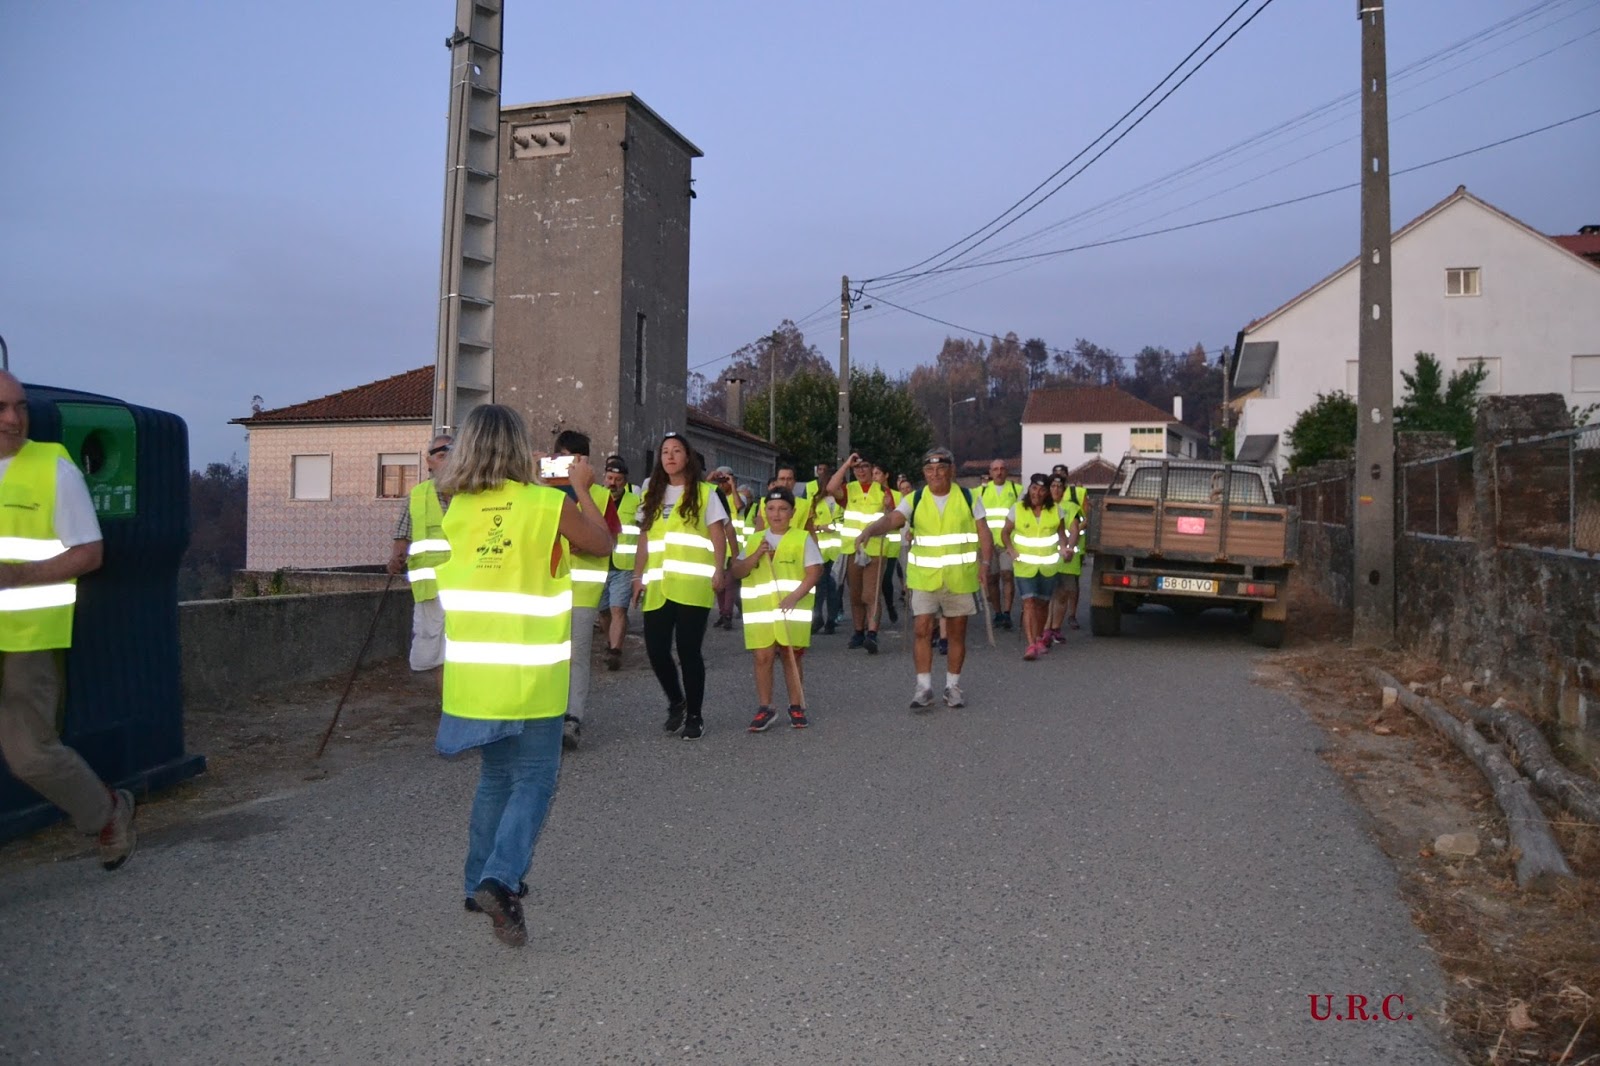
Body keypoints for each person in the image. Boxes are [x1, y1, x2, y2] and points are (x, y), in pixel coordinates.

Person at [433, 404, 612, 945]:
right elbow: (602, 544)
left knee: (495, 776)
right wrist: (580, 487)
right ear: (519, 449)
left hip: (475, 673)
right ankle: (501, 879)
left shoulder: (456, 508)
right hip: (530, 670)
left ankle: (476, 882)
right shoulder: (545, 504)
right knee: (535, 777)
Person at [0, 370, 136, 871]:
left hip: (28, 638)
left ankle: (107, 811)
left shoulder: (53, 470)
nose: (14, 419)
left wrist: (17, 575)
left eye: (20, 407)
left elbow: (90, 554)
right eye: (1, 408)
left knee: (30, 755)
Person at [859, 447, 993, 710]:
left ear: (951, 470)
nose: (935, 474)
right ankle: (923, 688)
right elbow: (893, 519)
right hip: (925, 578)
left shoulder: (968, 497)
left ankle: (952, 687)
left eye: (941, 468)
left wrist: (985, 564)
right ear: (924, 473)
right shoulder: (916, 498)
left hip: (959, 578)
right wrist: (870, 530)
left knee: (956, 634)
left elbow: (984, 531)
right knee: (921, 629)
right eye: (930, 470)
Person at [632, 432, 728, 741]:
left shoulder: (704, 493)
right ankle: (677, 702)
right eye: (665, 452)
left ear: (687, 457)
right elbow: (644, 538)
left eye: (676, 451)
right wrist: (637, 576)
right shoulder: (652, 492)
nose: (670, 456)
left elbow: (718, 535)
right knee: (656, 650)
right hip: (658, 585)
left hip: (692, 585)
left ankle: (695, 716)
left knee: (688, 651)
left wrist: (719, 570)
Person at [540, 430, 612, 751]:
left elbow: (607, 539)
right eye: (563, 456)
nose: (569, 464)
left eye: (577, 458)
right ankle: (548, 712)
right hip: (546, 587)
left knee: (577, 655)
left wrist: (586, 537)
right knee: (548, 655)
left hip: (582, 589)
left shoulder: (601, 495)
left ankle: (573, 718)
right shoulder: (540, 491)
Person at [728, 488, 822, 732]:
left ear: (792, 512)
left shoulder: (802, 538)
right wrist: (755, 556)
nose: (776, 514)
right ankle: (765, 707)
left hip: (791, 608)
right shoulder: (755, 540)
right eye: (771, 509)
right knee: (763, 657)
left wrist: (794, 597)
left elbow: (815, 571)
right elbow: (737, 570)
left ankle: (796, 705)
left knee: (791, 656)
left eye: (782, 509)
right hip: (761, 610)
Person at [387, 433, 454, 671]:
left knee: (461, 651)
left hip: (465, 587)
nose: (449, 462)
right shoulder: (417, 496)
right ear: (429, 461)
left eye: (454, 457)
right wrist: (395, 560)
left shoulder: (473, 494)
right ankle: (440, 695)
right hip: (430, 590)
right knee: (433, 654)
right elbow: (402, 538)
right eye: (443, 456)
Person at [827, 453, 893, 654]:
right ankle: (858, 632)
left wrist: (888, 506)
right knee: (855, 595)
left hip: (875, 549)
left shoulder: (882, 490)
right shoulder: (850, 489)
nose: (861, 470)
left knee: (870, 594)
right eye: (857, 467)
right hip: (852, 549)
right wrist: (846, 464)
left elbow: (891, 517)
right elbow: (830, 488)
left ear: (872, 469)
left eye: (865, 466)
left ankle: (872, 633)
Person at [1003, 474, 1069, 660]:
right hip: (1024, 566)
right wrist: (1010, 549)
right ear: (1029, 489)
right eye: (1034, 488)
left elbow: (1061, 534)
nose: (1037, 493)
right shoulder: (1017, 508)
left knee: (1043, 604)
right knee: (1029, 602)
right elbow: (1005, 532)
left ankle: (1039, 637)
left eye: (1041, 490)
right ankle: (1031, 644)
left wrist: (1064, 548)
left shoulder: (1056, 510)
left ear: (1047, 493)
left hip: (1048, 566)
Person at [598, 456, 640, 672]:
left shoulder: (635, 502)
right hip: (598, 563)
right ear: (604, 478)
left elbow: (645, 533)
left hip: (623, 565)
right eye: (610, 478)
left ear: (625, 481)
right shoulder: (594, 498)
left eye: (618, 480)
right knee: (603, 611)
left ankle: (615, 651)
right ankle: (609, 642)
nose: (613, 483)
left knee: (618, 609)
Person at [1044, 475, 1088, 644]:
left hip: (1066, 559)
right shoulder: (1043, 507)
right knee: (1049, 595)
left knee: (1062, 595)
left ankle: (1055, 628)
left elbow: (1074, 529)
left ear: (1064, 490)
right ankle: (1046, 629)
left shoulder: (1071, 508)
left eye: (1059, 486)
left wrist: (1069, 548)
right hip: (1047, 558)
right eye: (1053, 486)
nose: (1056, 489)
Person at [978, 459, 1020, 631]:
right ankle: (998, 613)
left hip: (1008, 542)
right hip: (989, 542)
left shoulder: (1017, 490)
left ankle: (1007, 612)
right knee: (992, 579)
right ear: (990, 472)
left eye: (1002, 468)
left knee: (1007, 575)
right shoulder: (981, 491)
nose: (999, 472)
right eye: (995, 469)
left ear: (1007, 471)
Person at [707, 467, 740, 629]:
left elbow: (739, 506)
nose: (722, 484)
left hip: (731, 544)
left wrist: (733, 485)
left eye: (725, 480)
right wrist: (709, 478)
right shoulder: (712, 494)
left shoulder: (736, 496)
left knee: (729, 584)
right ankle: (722, 613)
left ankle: (727, 614)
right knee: (719, 585)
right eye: (719, 481)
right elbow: (700, 488)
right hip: (717, 546)